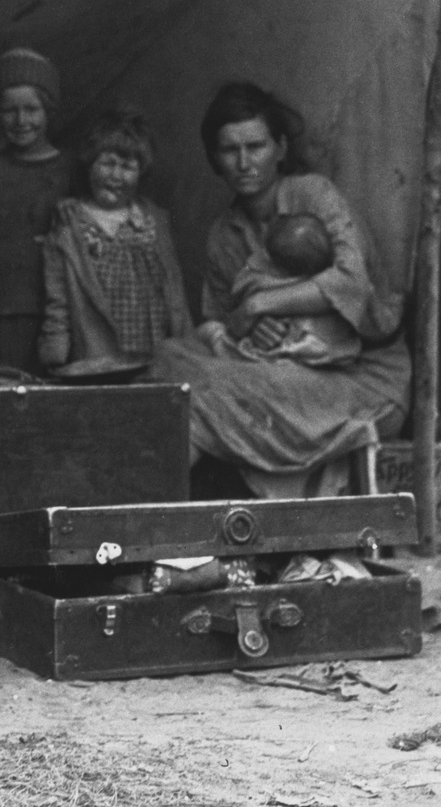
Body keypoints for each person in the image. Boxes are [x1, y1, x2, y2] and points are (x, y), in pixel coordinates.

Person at [149, 81, 410, 500]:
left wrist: (261, 303)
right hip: (277, 371)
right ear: (215, 159)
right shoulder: (224, 234)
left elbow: (351, 284)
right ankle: (152, 507)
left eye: (256, 146)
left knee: (193, 396)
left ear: (281, 149)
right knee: (168, 359)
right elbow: (218, 321)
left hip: (359, 379)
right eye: (230, 150)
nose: (244, 162)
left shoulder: (313, 196)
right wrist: (244, 329)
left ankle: (152, 508)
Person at [37, 110, 192, 380]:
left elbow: (174, 290)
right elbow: (57, 296)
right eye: (108, 163)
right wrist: (55, 349)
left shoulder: (153, 220)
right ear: (89, 165)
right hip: (97, 354)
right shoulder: (70, 224)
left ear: (140, 173)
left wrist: (185, 342)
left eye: (127, 167)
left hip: (153, 352)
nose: (116, 176)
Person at [0, 48, 71, 379]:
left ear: (49, 109)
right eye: (9, 110)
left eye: (32, 109)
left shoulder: (70, 170)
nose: (21, 121)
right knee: (4, 390)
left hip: (58, 310)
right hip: (0, 311)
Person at [225, 212, 362, 367]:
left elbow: (239, 294)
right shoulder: (319, 278)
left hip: (292, 338)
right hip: (331, 344)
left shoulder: (257, 280)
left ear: (276, 266)